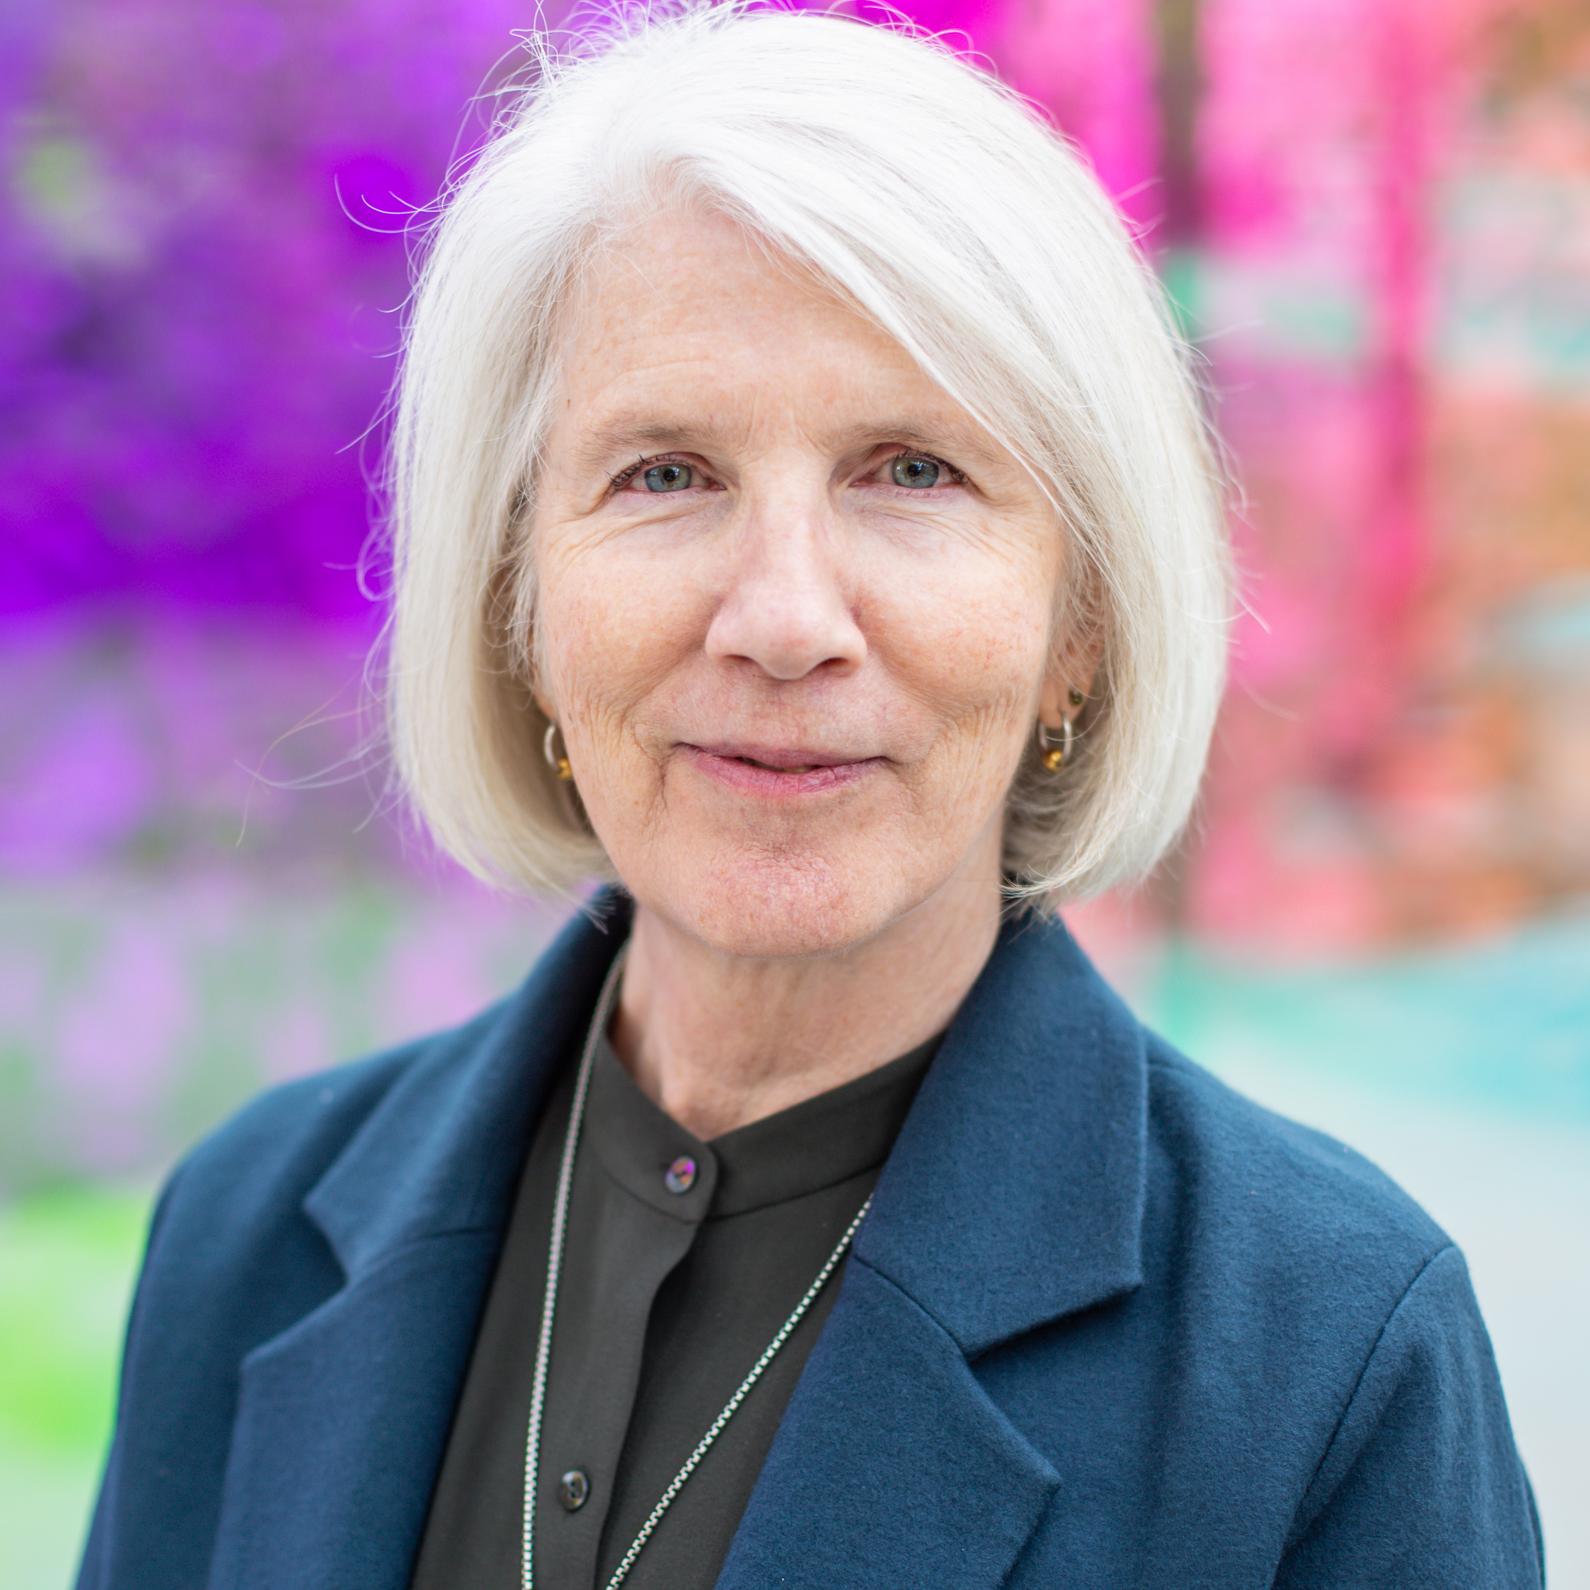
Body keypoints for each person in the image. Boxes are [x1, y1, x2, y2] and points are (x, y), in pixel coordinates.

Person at [75, 3, 1545, 1586]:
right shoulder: (249, 1230)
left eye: (910, 470)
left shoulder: (1326, 1350)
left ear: (1078, 628)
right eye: (664, 473)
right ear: (518, 601)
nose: (782, 617)